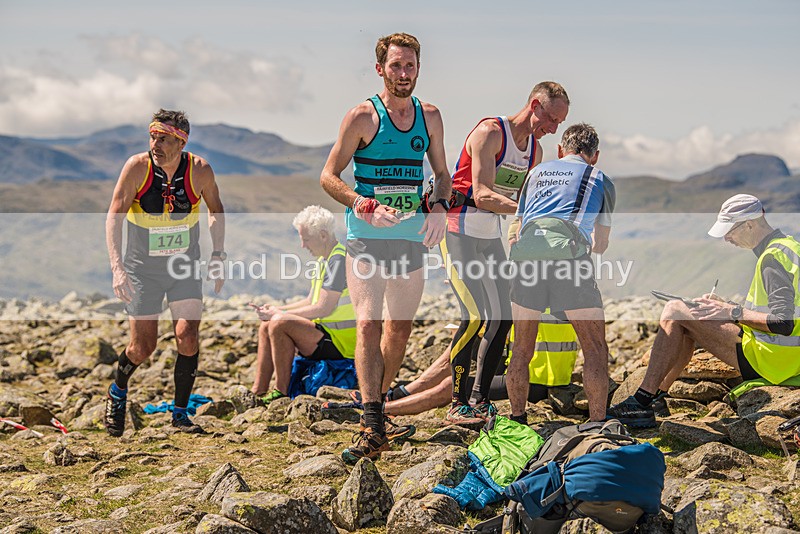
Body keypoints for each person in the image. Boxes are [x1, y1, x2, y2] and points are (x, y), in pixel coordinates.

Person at [320, 32, 452, 463]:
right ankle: (372, 423)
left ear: (418, 68)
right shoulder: (361, 116)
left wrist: (438, 207)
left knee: (399, 329)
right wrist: (362, 203)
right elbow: (329, 176)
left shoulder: (428, 116)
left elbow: (442, 173)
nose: (403, 73)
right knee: (368, 324)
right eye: (395, 66)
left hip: (410, 237)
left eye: (410, 66)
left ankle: (376, 406)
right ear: (381, 69)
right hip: (366, 237)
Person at [608, 194, 800, 427]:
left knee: (674, 311)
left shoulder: (772, 259)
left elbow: (783, 323)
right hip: (786, 357)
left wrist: (733, 312)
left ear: (750, 224)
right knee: (686, 321)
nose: (727, 238)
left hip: (773, 360)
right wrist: (724, 305)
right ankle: (656, 398)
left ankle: (640, 402)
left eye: (730, 230)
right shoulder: (789, 247)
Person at [442, 82, 569, 425]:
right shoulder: (490, 133)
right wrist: (527, 211)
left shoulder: (535, 151)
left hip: (489, 236)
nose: (553, 128)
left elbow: (528, 201)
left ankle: (480, 399)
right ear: (534, 105)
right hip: (458, 231)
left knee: (503, 317)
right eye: (552, 119)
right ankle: (456, 403)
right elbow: (482, 195)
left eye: (560, 123)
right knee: (474, 315)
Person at [105, 109, 226, 436]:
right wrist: (117, 268)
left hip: (183, 265)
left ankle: (180, 415)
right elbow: (114, 216)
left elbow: (216, 210)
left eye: (163, 139)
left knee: (187, 335)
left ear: (181, 142)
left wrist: (217, 254)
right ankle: (117, 391)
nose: (155, 144)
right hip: (142, 268)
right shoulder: (136, 168)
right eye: (152, 137)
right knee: (143, 347)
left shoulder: (200, 171)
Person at [508, 123, 615, 425]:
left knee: (522, 348)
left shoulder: (535, 173)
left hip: (526, 261)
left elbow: (516, 228)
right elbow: (601, 243)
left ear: (559, 150)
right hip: (569, 260)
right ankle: (597, 425)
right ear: (594, 156)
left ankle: (518, 421)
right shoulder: (599, 178)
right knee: (594, 348)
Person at [250, 206, 356, 404]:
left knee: (279, 324)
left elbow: (323, 308)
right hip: (325, 333)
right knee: (267, 325)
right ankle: (258, 392)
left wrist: (278, 315)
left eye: (306, 239)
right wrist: (275, 310)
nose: (302, 245)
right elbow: (310, 301)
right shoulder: (323, 260)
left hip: (341, 343)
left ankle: (280, 393)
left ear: (323, 235)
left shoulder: (338, 261)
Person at [383, 316, 579, 417]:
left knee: (452, 384)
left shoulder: (527, 299)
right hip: (529, 372)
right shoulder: (544, 294)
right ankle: (398, 394)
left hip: (536, 382)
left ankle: (385, 409)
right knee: (460, 347)